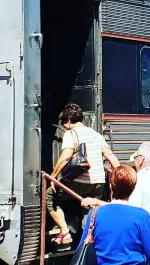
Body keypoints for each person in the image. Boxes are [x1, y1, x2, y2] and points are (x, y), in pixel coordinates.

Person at [48, 103, 121, 245]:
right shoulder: (96, 134)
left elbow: (65, 157)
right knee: (89, 212)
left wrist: (53, 176)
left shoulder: (71, 133)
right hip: (99, 182)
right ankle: (88, 242)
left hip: (80, 182)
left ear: (69, 120)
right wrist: (121, 174)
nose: (63, 126)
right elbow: (110, 156)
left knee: (50, 195)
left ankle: (65, 232)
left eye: (63, 122)